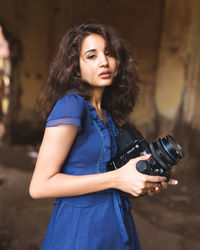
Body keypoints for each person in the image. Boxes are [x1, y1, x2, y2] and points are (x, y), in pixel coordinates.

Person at [29, 20, 178, 250]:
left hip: (117, 226)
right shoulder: (71, 106)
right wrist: (118, 178)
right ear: (75, 66)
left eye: (109, 53)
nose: (104, 62)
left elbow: (116, 177)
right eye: (91, 56)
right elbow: (39, 186)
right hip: (80, 231)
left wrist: (142, 181)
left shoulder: (109, 116)